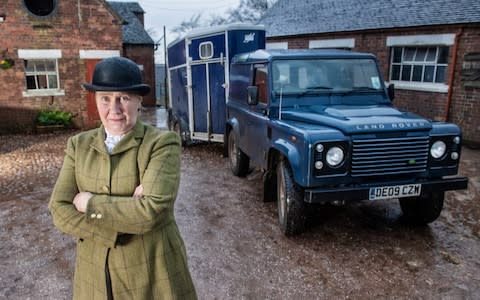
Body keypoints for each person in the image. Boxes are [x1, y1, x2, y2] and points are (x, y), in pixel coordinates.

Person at [48, 56, 197, 299]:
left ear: (139, 100)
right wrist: (118, 225)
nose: (114, 109)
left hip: (151, 274)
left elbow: (151, 212)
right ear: (95, 100)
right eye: (105, 98)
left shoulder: (161, 143)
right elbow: (58, 209)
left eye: (124, 98)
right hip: (93, 277)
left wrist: (88, 203)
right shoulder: (78, 145)